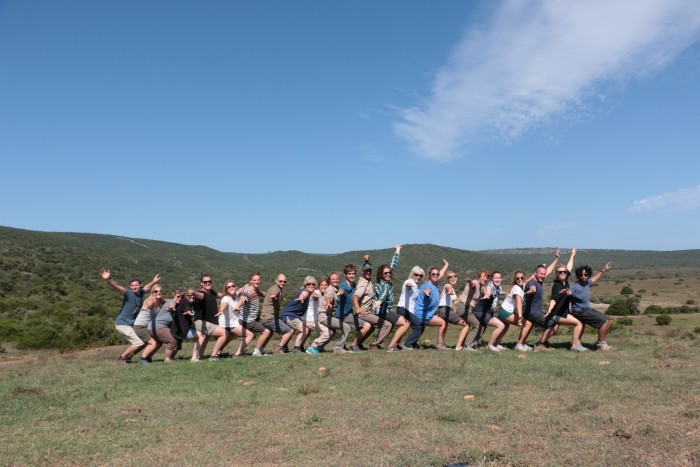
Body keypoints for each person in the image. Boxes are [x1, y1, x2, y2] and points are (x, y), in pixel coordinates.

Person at [99, 268, 159, 364]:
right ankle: (121, 358)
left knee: (143, 341)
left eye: (136, 285)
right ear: (130, 287)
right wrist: (108, 279)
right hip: (122, 324)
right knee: (139, 342)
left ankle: (127, 358)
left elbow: (147, 287)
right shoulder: (129, 293)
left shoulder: (141, 293)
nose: (134, 287)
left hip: (130, 324)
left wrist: (153, 281)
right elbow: (117, 287)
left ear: (140, 285)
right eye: (132, 285)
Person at [541, 250, 587, 352]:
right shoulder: (557, 285)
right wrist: (549, 311)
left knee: (554, 328)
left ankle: (541, 343)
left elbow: (569, 267)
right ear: (556, 274)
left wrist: (572, 255)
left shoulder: (564, 281)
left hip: (561, 312)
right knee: (579, 323)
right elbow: (553, 299)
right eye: (560, 272)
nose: (563, 273)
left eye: (564, 272)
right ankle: (575, 346)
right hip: (557, 314)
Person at [515, 250, 561, 351]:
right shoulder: (532, 283)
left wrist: (556, 259)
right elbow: (532, 287)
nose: (543, 276)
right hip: (532, 312)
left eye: (544, 274)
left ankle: (520, 344)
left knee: (529, 326)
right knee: (554, 324)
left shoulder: (540, 280)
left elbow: (547, 271)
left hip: (532, 311)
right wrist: (532, 290)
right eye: (540, 274)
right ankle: (541, 344)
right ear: (536, 273)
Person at [367, 246, 410, 351]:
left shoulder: (385, 281)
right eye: (385, 273)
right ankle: (391, 346)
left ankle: (377, 345)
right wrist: (379, 301)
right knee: (405, 323)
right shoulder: (384, 284)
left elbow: (393, 265)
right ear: (381, 274)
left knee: (390, 325)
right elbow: (384, 293)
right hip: (382, 310)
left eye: (389, 273)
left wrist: (398, 250)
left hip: (384, 310)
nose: (388, 274)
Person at [354, 248, 397, 351]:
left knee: (372, 326)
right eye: (366, 271)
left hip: (368, 311)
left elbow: (367, 268)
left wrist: (366, 262)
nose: (368, 272)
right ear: (362, 273)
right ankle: (370, 345)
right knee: (387, 324)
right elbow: (355, 296)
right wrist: (357, 309)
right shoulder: (363, 284)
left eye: (370, 271)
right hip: (363, 312)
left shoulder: (368, 281)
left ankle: (359, 344)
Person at [402, 260, 449, 350]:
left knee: (421, 328)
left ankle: (413, 344)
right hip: (422, 314)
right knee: (443, 323)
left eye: (437, 274)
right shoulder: (427, 285)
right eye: (433, 274)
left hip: (425, 313)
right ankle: (440, 344)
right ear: (429, 275)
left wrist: (446, 265)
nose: (436, 275)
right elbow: (426, 291)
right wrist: (426, 293)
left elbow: (441, 273)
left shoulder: (435, 282)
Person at [570, 262, 614, 351]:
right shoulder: (575, 287)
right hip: (580, 311)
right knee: (604, 322)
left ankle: (601, 342)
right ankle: (600, 345)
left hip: (586, 309)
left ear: (588, 275)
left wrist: (603, 270)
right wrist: (566, 292)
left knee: (609, 321)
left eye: (586, 274)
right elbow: (569, 292)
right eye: (581, 274)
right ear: (578, 275)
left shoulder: (587, 283)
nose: (583, 276)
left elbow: (594, 279)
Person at [306, 272, 351, 354]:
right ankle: (338, 348)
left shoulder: (335, 288)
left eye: (337, 279)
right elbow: (328, 296)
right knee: (346, 327)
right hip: (324, 316)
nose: (335, 280)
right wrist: (328, 302)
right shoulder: (330, 289)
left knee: (332, 331)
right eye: (333, 279)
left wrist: (341, 290)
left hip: (327, 316)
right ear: (330, 280)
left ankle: (320, 347)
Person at [335, 264, 372, 353]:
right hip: (343, 315)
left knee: (369, 324)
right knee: (367, 325)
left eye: (353, 273)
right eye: (349, 274)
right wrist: (340, 292)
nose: (351, 275)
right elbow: (342, 290)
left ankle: (356, 345)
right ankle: (353, 346)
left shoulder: (354, 285)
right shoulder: (343, 285)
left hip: (350, 313)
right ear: (345, 275)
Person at [256, 274, 295, 355]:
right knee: (289, 331)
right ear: (276, 281)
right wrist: (273, 296)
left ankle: (260, 350)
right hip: (270, 319)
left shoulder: (277, 288)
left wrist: (281, 298)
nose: (282, 283)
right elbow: (273, 294)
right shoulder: (276, 289)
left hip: (264, 318)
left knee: (269, 333)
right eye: (280, 281)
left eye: (284, 281)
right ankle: (279, 349)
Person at [193, 273, 228, 361]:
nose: (207, 283)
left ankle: (199, 356)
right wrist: (195, 293)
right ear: (201, 283)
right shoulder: (201, 294)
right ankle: (213, 356)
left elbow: (220, 295)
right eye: (205, 282)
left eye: (209, 281)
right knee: (225, 333)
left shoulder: (212, 292)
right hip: (202, 322)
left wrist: (231, 291)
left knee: (205, 338)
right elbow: (200, 296)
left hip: (208, 322)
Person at [236, 272, 273, 357]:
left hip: (249, 319)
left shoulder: (255, 290)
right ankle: (257, 352)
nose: (257, 281)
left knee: (250, 336)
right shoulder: (247, 291)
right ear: (251, 281)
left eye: (258, 280)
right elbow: (242, 299)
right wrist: (238, 306)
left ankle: (238, 353)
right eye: (254, 280)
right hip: (247, 321)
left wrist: (271, 295)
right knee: (266, 332)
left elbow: (262, 293)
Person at [217, 280, 254, 358]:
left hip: (229, 322)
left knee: (230, 336)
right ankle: (237, 354)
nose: (231, 288)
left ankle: (218, 352)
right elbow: (223, 304)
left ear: (235, 287)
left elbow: (241, 289)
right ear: (226, 290)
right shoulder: (226, 298)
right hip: (230, 324)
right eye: (229, 287)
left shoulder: (236, 294)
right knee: (250, 335)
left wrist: (249, 284)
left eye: (233, 286)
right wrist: (221, 310)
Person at [471, 271, 507, 352]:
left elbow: (499, 293)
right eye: (495, 278)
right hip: (480, 311)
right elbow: (488, 291)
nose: (497, 280)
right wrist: (487, 295)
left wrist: (507, 293)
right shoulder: (490, 287)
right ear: (492, 279)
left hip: (487, 312)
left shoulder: (498, 288)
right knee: (501, 325)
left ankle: (496, 344)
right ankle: (490, 345)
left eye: (499, 278)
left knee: (504, 325)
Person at [280, 277, 317, 354]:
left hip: (291, 315)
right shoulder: (305, 292)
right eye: (308, 284)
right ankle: (296, 349)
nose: (311, 285)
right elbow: (303, 294)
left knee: (307, 329)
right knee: (304, 330)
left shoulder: (311, 293)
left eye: (313, 284)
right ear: (305, 285)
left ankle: (296, 346)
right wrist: (301, 298)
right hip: (289, 315)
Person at [458, 269, 490, 351]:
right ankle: (467, 346)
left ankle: (472, 344)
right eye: (483, 277)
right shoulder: (475, 282)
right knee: (477, 325)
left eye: (486, 278)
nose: (485, 279)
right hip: (464, 307)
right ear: (479, 277)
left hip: (469, 309)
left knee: (482, 325)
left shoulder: (480, 286)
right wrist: (470, 282)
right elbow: (472, 285)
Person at [436, 271, 469, 350]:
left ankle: (440, 344)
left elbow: (453, 300)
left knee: (444, 325)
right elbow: (448, 289)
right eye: (450, 277)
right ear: (447, 279)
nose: (453, 278)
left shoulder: (452, 288)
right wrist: (449, 291)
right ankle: (458, 346)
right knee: (466, 325)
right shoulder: (448, 285)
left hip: (444, 309)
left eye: (455, 276)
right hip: (445, 310)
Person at [151, 288, 186, 363]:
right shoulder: (172, 302)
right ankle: (167, 359)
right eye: (178, 296)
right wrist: (172, 307)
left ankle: (171, 357)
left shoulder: (175, 303)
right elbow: (170, 305)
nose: (180, 299)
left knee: (178, 338)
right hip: (157, 327)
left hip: (157, 327)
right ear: (174, 296)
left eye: (182, 297)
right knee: (173, 340)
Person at [133, 285, 166, 364]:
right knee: (153, 343)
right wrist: (145, 308)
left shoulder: (160, 300)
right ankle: (142, 359)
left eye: (160, 291)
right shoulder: (151, 300)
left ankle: (148, 357)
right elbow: (148, 305)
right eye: (156, 291)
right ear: (152, 293)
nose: (158, 292)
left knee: (159, 342)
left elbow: (168, 301)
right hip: (140, 326)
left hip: (147, 326)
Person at [494, 271, 526, 350]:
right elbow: (519, 303)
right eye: (517, 278)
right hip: (505, 312)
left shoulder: (522, 286)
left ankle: (496, 344)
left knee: (505, 326)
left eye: (522, 278)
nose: (520, 280)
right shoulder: (517, 288)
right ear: (515, 279)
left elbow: (533, 277)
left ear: (524, 278)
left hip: (502, 310)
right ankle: (520, 345)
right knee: (527, 323)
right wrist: (520, 317)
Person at [300, 277, 328, 352]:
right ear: (318, 286)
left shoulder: (324, 294)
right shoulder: (317, 292)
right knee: (327, 332)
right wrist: (315, 296)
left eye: (326, 285)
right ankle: (312, 347)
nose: (324, 286)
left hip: (312, 319)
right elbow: (315, 295)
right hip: (310, 320)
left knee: (330, 331)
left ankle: (317, 347)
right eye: (322, 285)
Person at [170, 287, 199, 360]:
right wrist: (188, 311)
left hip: (177, 329)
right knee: (199, 336)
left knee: (177, 346)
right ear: (186, 296)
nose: (191, 296)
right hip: (181, 330)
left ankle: (169, 358)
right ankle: (195, 358)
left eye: (193, 295)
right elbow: (186, 307)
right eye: (189, 295)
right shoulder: (185, 302)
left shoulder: (193, 303)